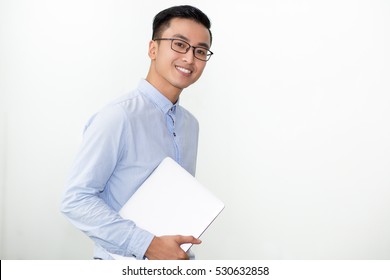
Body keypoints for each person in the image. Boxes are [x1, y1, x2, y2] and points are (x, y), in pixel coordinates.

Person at [60, 5, 213, 260]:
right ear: (153, 49)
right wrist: (148, 244)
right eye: (179, 45)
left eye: (200, 51)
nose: (189, 58)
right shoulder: (118, 116)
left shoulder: (190, 125)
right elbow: (76, 200)